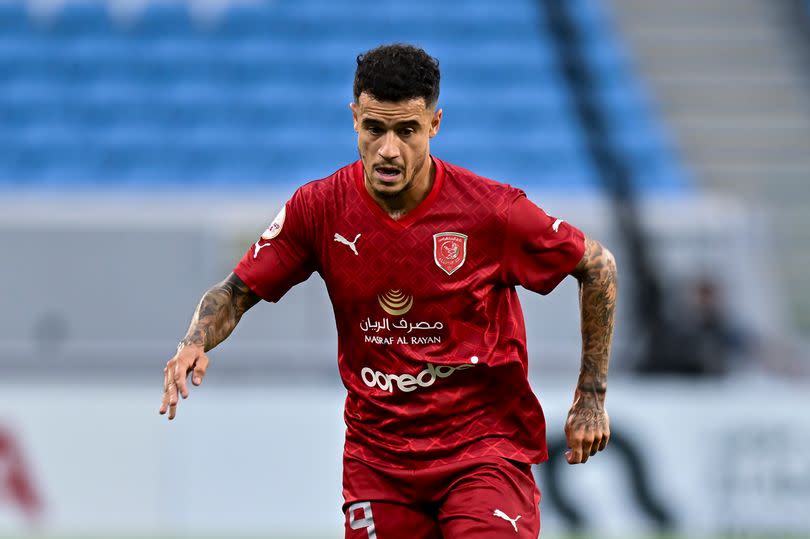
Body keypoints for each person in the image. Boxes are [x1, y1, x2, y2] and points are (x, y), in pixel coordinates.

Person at [159, 44, 617, 538]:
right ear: (354, 118)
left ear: (435, 125)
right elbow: (236, 291)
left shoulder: (491, 212)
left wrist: (590, 396)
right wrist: (194, 341)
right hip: (379, 461)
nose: (389, 149)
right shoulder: (319, 209)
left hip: (482, 450)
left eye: (407, 131)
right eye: (375, 129)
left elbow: (597, 266)